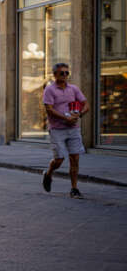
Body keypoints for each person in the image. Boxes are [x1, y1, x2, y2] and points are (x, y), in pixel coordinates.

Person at [42, 62, 89, 198]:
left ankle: (74, 188)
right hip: (57, 130)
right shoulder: (50, 90)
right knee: (59, 159)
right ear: (55, 74)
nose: (64, 75)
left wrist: (79, 114)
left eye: (66, 73)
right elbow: (49, 109)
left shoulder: (73, 89)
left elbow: (86, 104)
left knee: (75, 159)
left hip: (73, 129)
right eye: (61, 73)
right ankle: (49, 172)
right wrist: (64, 118)